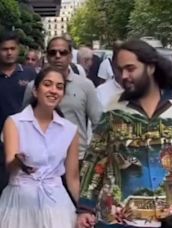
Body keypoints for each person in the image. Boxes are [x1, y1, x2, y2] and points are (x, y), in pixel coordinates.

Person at [76, 39, 172, 228]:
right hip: (121, 220)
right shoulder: (113, 109)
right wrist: (85, 208)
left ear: (150, 67)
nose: (124, 75)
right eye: (120, 70)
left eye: (130, 68)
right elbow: (95, 158)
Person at [0, 66, 80, 227]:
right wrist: (19, 161)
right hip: (20, 203)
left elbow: (72, 178)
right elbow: (10, 163)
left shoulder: (70, 130)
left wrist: (85, 209)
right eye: (47, 84)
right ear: (35, 91)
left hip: (57, 204)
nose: (53, 90)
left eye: (59, 87)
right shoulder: (14, 122)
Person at [23, 37, 102, 160]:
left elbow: (98, 123)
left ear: (70, 56)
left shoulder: (85, 85)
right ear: (47, 56)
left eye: (63, 52)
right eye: (52, 52)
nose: (58, 56)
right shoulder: (33, 86)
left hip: (77, 158)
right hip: (42, 160)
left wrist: (94, 157)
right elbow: (24, 122)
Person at [0, 32, 37, 195]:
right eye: (4, 49)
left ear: (18, 49)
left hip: (25, 142)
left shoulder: (29, 74)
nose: (9, 52)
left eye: (12, 48)